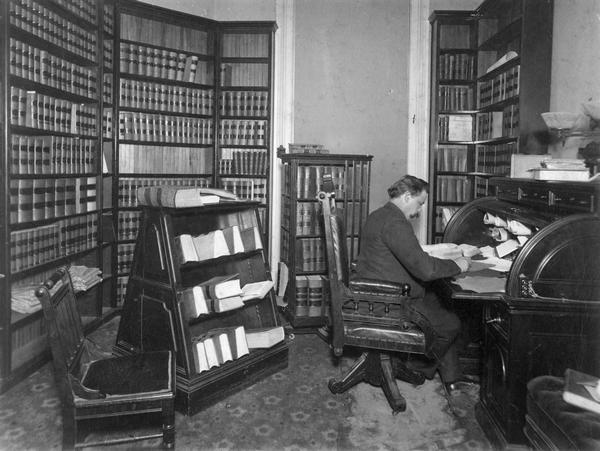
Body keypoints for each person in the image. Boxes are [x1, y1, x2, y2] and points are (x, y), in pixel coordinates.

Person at [354, 175, 475, 394]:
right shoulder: (395, 222)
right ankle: (416, 368)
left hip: (374, 292)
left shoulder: (380, 215)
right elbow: (426, 270)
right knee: (450, 323)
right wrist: (458, 265)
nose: (419, 210)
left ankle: (451, 376)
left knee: (443, 305)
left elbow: (413, 259)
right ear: (407, 196)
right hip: (388, 300)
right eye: (419, 203)